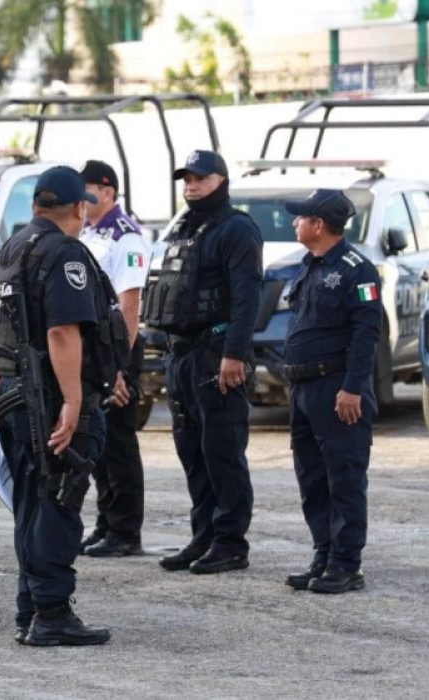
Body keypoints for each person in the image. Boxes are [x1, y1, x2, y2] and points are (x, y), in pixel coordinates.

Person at [0, 166, 120, 647]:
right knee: (58, 499)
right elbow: (62, 331)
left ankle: (32, 606)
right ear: (79, 207)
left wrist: (4, 388)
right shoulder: (63, 253)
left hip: (18, 395)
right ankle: (51, 614)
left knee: (33, 503)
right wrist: (72, 400)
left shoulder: (12, 247)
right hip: (51, 398)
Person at [142, 150, 263, 575]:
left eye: (200, 179)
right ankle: (205, 535)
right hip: (181, 354)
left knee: (222, 450)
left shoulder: (237, 229)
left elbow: (247, 298)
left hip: (216, 355)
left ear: (222, 181)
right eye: (187, 179)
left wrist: (234, 354)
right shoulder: (183, 227)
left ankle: (231, 542)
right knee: (192, 451)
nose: (191, 185)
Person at [281, 189, 381, 594]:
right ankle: (323, 554)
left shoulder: (358, 270)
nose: (294, 222)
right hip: (304, 388)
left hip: (336, 389)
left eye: (300, 217)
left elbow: (367, 332)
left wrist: (353, 388)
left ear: (319, 225)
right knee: (312, 478)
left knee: (344, 477)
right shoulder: (309, 265)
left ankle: (346, 564)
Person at [77, 160, 150, 558]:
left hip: (118, 350)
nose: (84, 200)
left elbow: (130, 306)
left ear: (109, 192)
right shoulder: (89, 233)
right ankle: (105, 523)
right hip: (95, 351)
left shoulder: (125, 237)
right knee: (99, 442)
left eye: (90, 192)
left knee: (119, 441)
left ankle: (125, 530)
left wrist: (119, 366)